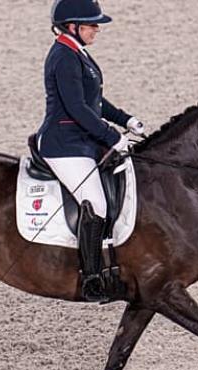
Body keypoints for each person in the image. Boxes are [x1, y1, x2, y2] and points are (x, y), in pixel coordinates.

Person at [36, 0, 145, 301]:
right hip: (63, 144)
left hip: (81, 140)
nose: (97, 28)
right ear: (72, 27)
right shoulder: (64, 57)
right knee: (95, 202)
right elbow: (77, 108)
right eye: (91, 24)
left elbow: (96, 101)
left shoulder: (78, 53)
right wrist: (112, 136)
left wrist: (126, 120)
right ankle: (92, 278)